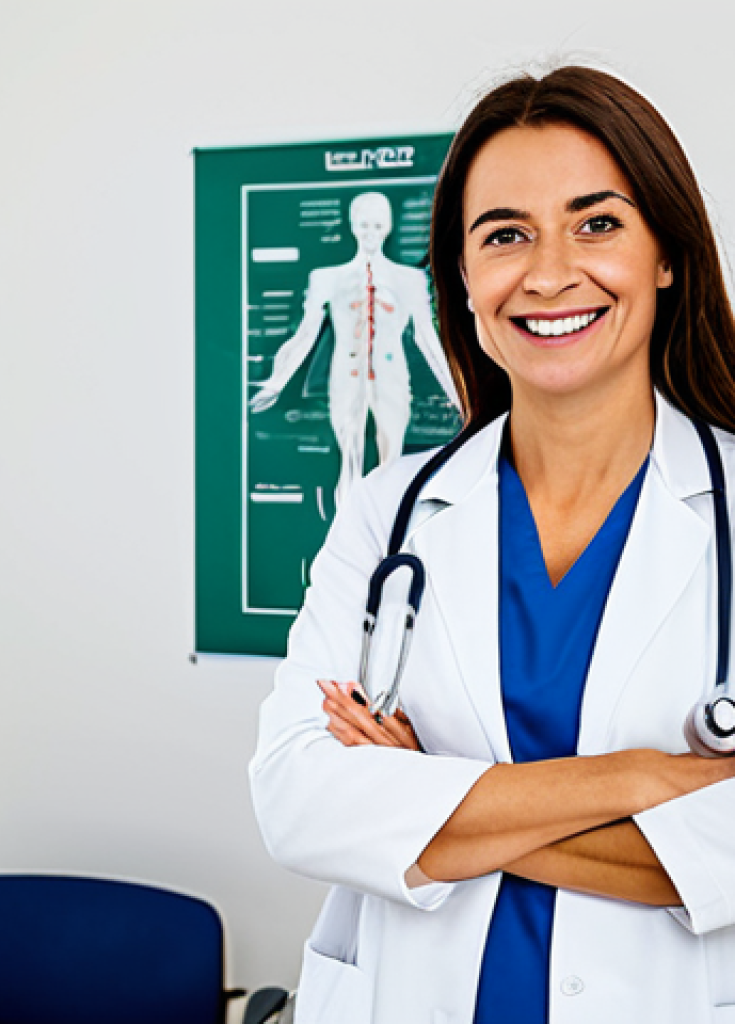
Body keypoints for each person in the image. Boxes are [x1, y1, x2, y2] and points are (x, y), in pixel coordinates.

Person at [249, 65, 735, 1024]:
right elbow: (299, 801)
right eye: (505, 234)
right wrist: (641, 782)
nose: (550, 272)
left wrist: (422, 794)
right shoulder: (386, 512)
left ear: (666, 254)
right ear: (465, 277)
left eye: (597, 223)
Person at [250, 192, 459, 506]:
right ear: (352, 226)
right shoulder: (328, 278)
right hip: (346, 374)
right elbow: (305, 335)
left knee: (392, 463)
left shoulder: (408, 280)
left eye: (377, 225)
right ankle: (347, 546)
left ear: (386, 227)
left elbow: (427, 341)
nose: (370, 233)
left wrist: (458, 395)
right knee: (348, 462)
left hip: (391, 374)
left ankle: (389, 545)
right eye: (364, 225)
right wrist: (276, 382)